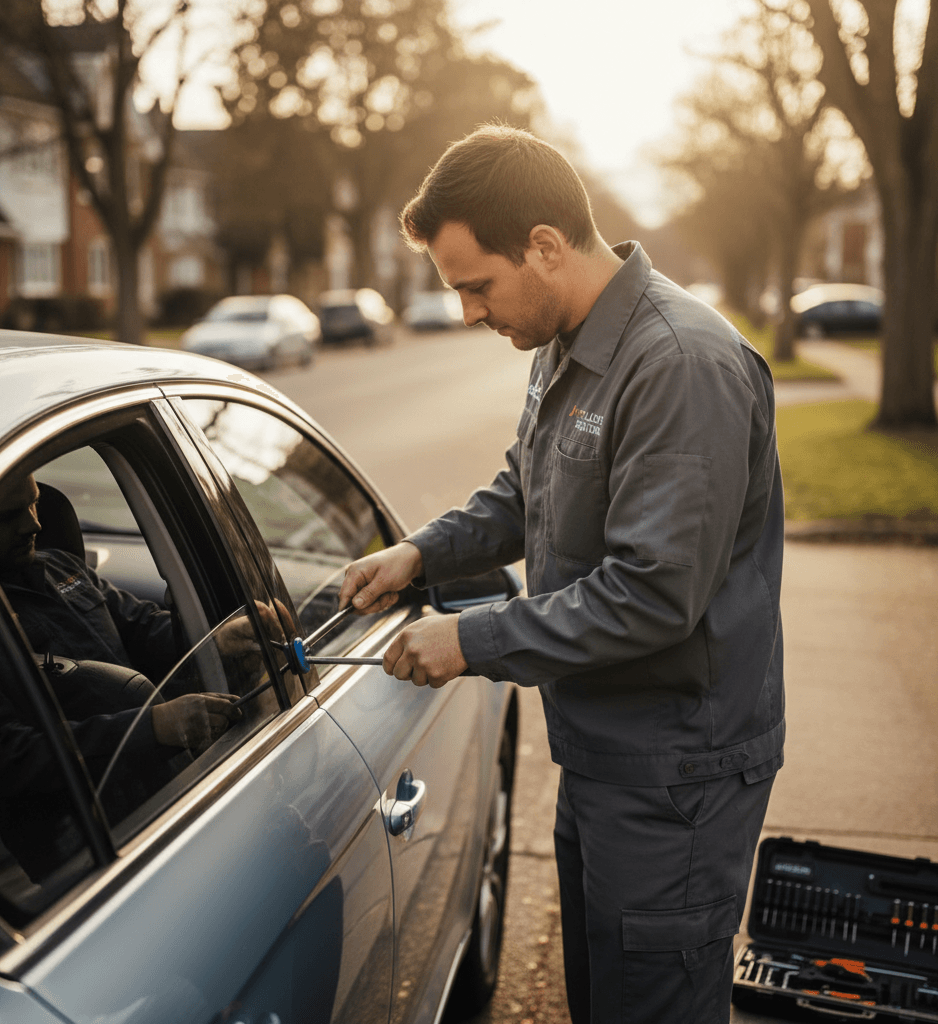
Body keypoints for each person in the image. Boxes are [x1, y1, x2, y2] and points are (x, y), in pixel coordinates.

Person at [338, 125, 784, 1023]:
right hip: (603, 754)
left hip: (674, 775)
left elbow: (653, 594)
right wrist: (421, 551)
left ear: (544, 247)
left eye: (475, 285)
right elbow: (525, 487)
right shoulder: (561, 339)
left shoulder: (680, 365)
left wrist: (471, 640)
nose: (466, 311)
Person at [0, 470, 241, 879]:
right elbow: (0, 759)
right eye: (7, 516)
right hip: (83, 845)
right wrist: (151, 729)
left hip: (168, 792)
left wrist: (219, 640)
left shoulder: (61, 567)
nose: (34, 522)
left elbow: (141, 627)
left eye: (34, 502)